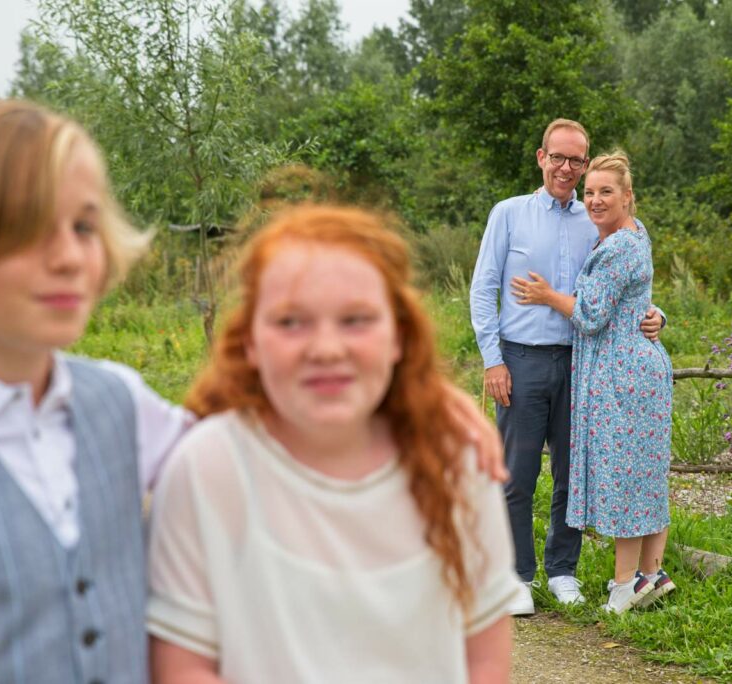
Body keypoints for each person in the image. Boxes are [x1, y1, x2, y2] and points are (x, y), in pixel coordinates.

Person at [0, 102, 505, 682]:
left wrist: (420, 394)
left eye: (84, 226)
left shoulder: (115, 402)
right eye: (27, 229)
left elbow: (277, 423)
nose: (69, 257)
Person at [147, 205, 521, 683]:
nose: (326, 349)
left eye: (356, 320)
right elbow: (184, 665)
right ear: (250, 343)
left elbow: (485, 657)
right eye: (290, 322)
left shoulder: (458, 460)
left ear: (398, 338)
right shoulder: (209, 467)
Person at [470, 118, 664, 616]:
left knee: (570, 474)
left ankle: (562, 570)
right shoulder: (508, 214)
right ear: (541, 158)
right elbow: (482, 289)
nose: (566, 167)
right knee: (517, 472)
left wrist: (657, 315)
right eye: (558, 157)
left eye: (576, 160)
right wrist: (493, 359)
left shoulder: (594, 218)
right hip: (521, 359)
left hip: (582, 366)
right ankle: (516, 577)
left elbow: (627, 284)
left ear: (584, 165)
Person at [511, 152, 674, 614]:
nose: (595, 200)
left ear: (628, 197)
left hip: (622, 372)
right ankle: (650, 574)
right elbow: (635, 298)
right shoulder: (634, 235)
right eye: (591, 192)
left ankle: (624, 587)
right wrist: (657, 314)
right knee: (646, 473)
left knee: (625, 475)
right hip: (638, 367)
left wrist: (545, 296)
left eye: (606, 192)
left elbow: (590, 314)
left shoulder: (618, 245)